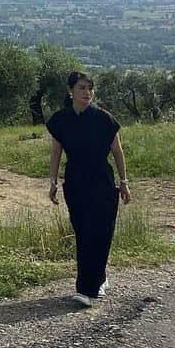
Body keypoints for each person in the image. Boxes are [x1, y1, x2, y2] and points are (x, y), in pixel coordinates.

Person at [46, 71, 131, 307]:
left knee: (100, 232)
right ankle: (99, 278)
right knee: (83, 233)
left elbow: (117, 152)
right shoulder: (61, 120)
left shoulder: (104, 119)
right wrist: (52, 182)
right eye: (82, 88)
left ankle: (86, 289)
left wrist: (124, 183)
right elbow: (56, 152)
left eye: (90, 88)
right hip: (75, 182)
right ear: (70, 91)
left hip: (102, 182)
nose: (87, 93)